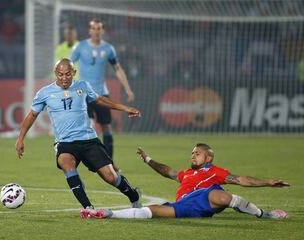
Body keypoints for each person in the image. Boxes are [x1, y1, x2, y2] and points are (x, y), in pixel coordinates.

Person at [15, 58, 141, 209]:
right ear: (55, 74)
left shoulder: (83, 86)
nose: (64, 78)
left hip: (88, 140)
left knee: (110, 177)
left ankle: (134, 196)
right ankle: (88, 208)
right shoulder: (45, 93)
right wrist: (20, 138)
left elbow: (100, 100)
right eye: (60, 74)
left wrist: (126, 108)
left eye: (68, 74)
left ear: (74, 72)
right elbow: (32, 115)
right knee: (65, 163)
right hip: (65, 143)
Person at [80, 143, 289, 219]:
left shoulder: (214, 171)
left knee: (222, 195)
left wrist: (268, 182)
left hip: (206, 198)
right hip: (187, 205)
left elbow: (241, 179)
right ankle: (107, 214)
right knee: (154, 211)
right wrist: (149, 159)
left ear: (209, 158)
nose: (193, 155)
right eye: (192, 153)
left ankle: (264, 214)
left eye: (197, 153)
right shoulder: (187, 174)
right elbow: (168, 172)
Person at [71, 19, 135, 171]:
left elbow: (118, 69)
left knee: (106, 127)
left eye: (99, 28)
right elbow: (69, 64)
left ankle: (109, 163)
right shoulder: (80, 46)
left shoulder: (108, 49)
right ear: (89, 30)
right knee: (87, 127)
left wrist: (127, 88)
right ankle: (89, 161)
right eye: (93, 28)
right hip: (83, 94)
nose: (96, 31)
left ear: (102, 31)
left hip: (101, 93)